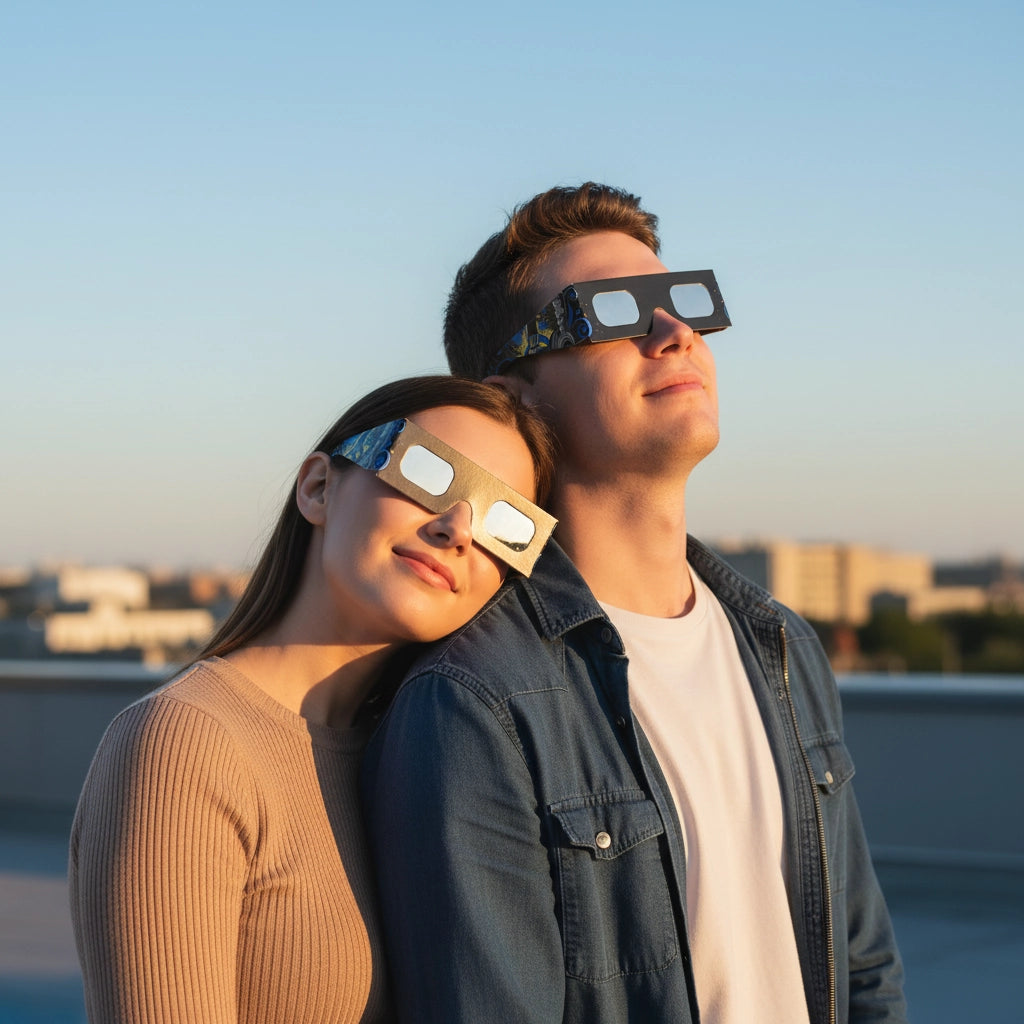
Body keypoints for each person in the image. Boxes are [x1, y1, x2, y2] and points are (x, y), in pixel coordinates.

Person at [361, 185, 908, 1023]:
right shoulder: (475, 702)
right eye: (612, 312)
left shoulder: (784, 647)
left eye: (683, 302)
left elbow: (862, 968)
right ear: (519, 394)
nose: (675, 333)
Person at [68, 375, 557, 1024]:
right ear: (319, 487)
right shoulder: (183, 743)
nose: (459, 528)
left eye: (507, 523)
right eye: (430, 473)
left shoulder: (433, 756)